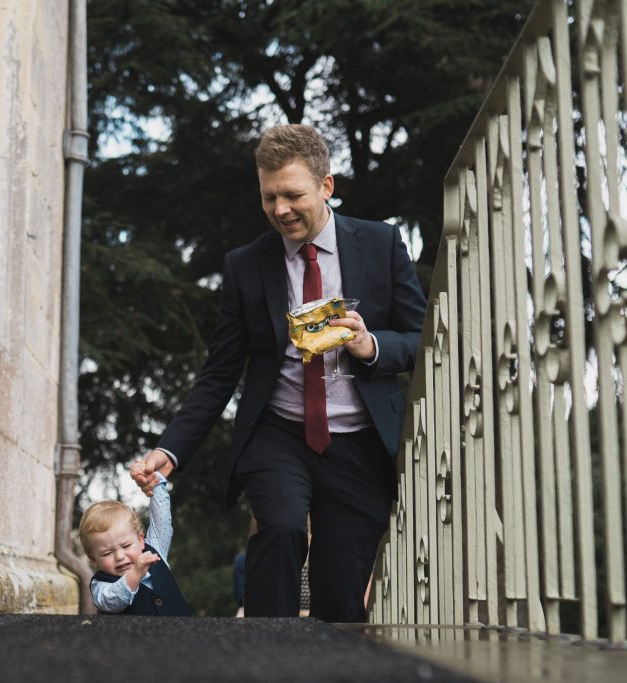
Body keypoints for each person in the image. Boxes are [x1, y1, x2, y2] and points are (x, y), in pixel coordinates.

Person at [130, 123, 426, 621]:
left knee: (340, 590)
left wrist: (370, 344)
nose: (280, 210)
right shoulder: (246, 265)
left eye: (293, 195)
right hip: (278, 432)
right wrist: (170, 448)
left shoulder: (380, 244)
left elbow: (424, 339)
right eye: (269, 198)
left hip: (360, 441)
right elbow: (219, 373)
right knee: (283, 526)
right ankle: (264, 659)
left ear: (326, 187)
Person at [78, 472, 190, 616]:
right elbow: (111, 603)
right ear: (93, 559)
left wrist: (153, 480)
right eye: (107, 553)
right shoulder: (101, 585)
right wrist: (135, 573)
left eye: (126, 546)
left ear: (140, 540)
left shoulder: (154, 552)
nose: (119, 556)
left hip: (184, 635)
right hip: (133, 638)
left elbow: (162, 519)